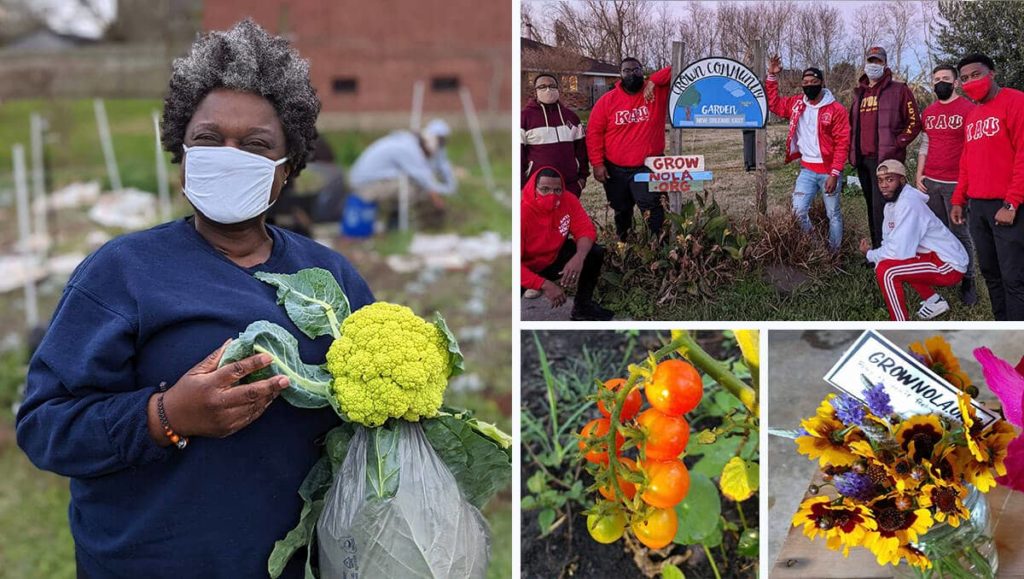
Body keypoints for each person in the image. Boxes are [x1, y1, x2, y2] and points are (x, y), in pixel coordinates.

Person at [15, 20, 374, 578]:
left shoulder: (330, 277)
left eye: (256, 145)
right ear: (181, 152)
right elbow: (44, 426)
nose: (229, 155)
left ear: (286, 171)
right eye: (208, 139)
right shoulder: (122, 273)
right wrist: (166, 415)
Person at [950, 53, 1024, 321]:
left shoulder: (1016, 102)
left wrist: (1012, 202)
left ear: (992, 73)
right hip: (978, 208)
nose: (970, 81)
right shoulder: (973, 115)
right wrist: (959, 198)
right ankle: (1002, 324)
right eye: (965, 78)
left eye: (976, 74)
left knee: (1014, 278)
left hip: (1006, 206)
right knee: (991, 274)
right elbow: (967, 160)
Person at [860, 160, 968, 321]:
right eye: (881, 181)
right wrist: (876, 255)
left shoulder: (909, 203)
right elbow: (890, 241)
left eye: (890, 179)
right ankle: (934, 302)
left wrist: (870, 255)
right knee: (889, 262)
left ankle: (900, 323)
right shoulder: (891, 205)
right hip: (931, 256)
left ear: (902, 180)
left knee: (887, 271)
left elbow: (897, 251)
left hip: (950, 264)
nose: (883, 185)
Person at [766, 57, 850, 251]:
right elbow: (775, 104)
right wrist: (771, 76)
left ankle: (834, 252)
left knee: (833, 214)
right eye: (805, 83)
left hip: (829, 171)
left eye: (813, 82)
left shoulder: (836, 109)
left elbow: (842, 143)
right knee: (798, 211)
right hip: (807, 170)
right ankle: (818, 248)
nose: (809, 86)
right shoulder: (797, 104)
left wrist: (835, 174)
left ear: (821, 83)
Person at [587, 57, 672, 240]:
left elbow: (677, 69)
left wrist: (654, 81)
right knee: (621, 209)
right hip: (616, 168)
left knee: (653, 207)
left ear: (642, 71)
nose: (632, 74)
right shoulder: (607, 101)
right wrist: (597, 163)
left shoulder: (656, 92)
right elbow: (594, 133)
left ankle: (660, 245)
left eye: (636, 70)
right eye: (626, 70)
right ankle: (625, 244)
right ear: (620, 74)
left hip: (648, 165)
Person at [915, 64, 978, 305]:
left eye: (945, 78)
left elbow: (973, 149)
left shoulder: (968, 109)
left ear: (955, 83)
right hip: (931, 181)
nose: (940, 82)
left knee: (960, 232)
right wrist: (919, 174)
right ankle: (944, 271)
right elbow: (925, 145)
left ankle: (969, 279)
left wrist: (968, 180)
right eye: (936, 79)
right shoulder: (928, 112)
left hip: (956, 184)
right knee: (936, 231)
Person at [849, 46, 921, 249]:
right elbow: (852, 126)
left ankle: (893, 251)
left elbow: (914, 123)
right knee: (872, 208)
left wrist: (897, 145)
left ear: (885, 64)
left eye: (878, 61)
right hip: (864, 161)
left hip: (886, 161)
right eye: (871, 61)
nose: (874, 65)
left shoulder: (900, 90)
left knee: (887, 209)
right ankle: (877, 250)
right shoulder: (859, 94)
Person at [521, 167, 613, 321]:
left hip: (552, 258)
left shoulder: (568, 200)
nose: (552, 195)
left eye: (557, 190)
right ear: (533, 188)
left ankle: (583, 307)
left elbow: (586, 230)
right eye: (544, 189)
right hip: (524, 267)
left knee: (594, 252)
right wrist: (545, 285)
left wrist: (579, 257)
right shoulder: (521, 213)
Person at [347, 118, 456, 229]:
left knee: (407, 184)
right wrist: (438, 199)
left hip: (363, 182)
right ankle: (398, 224)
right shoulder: (409, 150)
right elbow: (424, 180)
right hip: (364, 188)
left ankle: (394, 222)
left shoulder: (406, 142)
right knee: (413, 189)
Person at [521, 73, 589, 196]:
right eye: (542, 86)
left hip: (570, 186)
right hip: (538, 188)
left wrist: (582, 178)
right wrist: (522, 185)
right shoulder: (524, 118)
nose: (548, 90)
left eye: (552, 86)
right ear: (535, 91)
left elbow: (581, 151)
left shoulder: (571, 117)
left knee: (568, 216)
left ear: (558, 89)